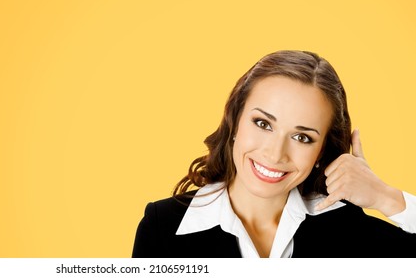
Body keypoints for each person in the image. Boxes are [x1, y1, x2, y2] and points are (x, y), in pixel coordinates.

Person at [132, 50, 416, 258]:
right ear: (235, 120)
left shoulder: (345, 226)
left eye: (302, 137)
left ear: (320, 152)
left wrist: (386, 197)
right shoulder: (163, 226)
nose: (275, 153)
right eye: (263, 123)